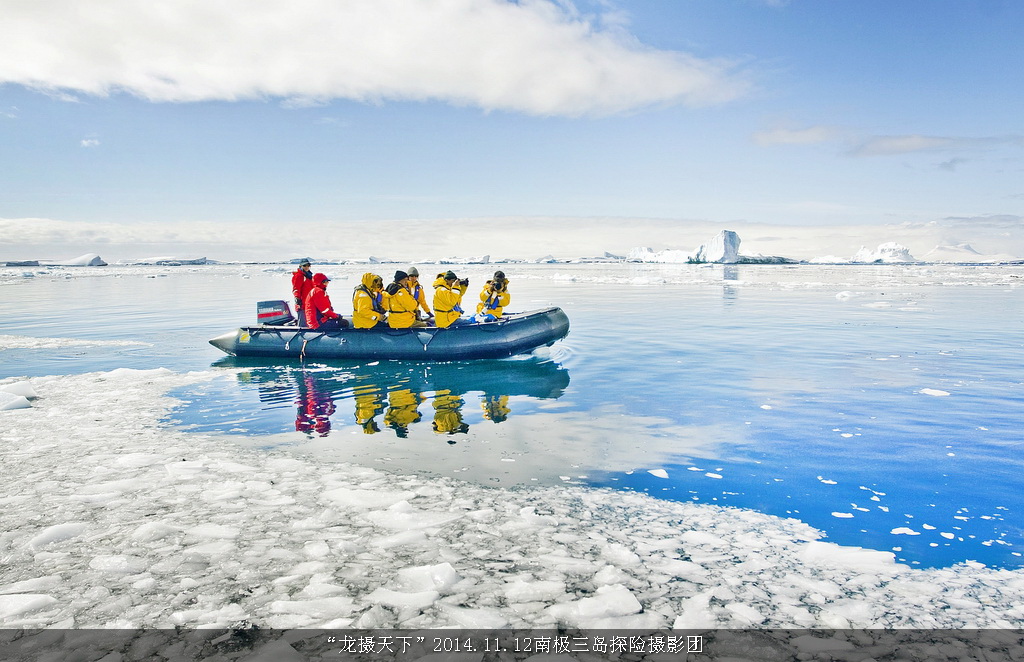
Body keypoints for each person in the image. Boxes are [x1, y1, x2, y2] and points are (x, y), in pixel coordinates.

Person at [291, 259, 315, 325]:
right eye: (304, 265)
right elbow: (296, 288)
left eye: (308, 265)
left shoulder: (309, 276)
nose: (306, 267)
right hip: (302, 303)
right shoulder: (299, 276)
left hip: (310, 303)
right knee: (303, 323)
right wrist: (297, 298)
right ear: (300, 266)